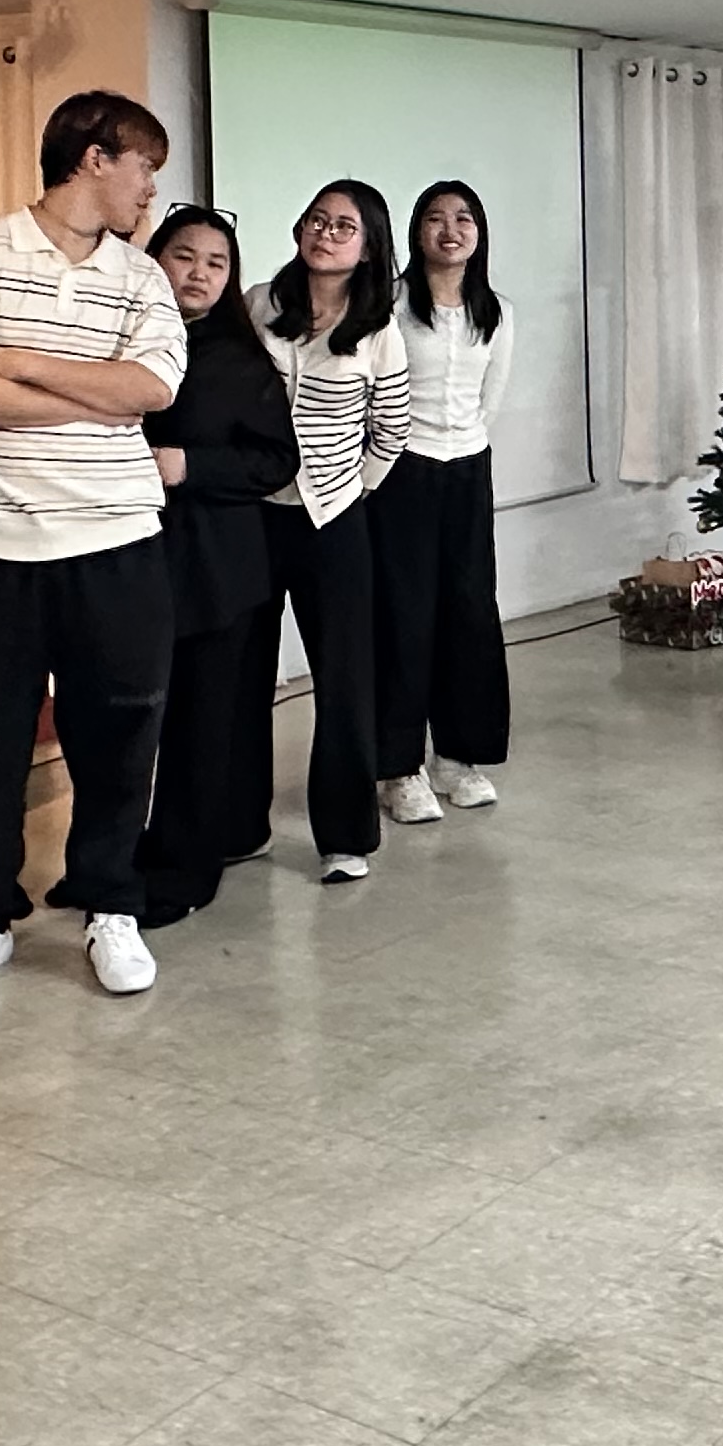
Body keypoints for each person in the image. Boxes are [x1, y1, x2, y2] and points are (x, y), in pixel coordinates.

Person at [0, 89, 189, 1003]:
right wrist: (96, 398)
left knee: (117, 738)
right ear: (95, 157)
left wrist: (23, 363)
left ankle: (111, 903)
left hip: (116, 541)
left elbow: (151, 389)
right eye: (144, 168)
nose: (150, 191)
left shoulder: (141, 278)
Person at [255, 179, 416, 873]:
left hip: (333, 520)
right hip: (255, 515)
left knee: (344, 680)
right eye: (317, 220)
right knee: (243, 678)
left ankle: (345, 838)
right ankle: (239, 824)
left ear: (369, 247)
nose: (325, 234)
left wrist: (349, 491)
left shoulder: (378, 331)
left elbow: (393, 432)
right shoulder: (260, 304)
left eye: (344, 227)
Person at [141, 206, 296, 927]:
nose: (198, 274)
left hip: (216, 570)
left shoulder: (239, 358)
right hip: (134, 562)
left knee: (203, 724)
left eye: (216, 263)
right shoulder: (129, 342)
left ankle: (187, 871)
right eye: (184, 256)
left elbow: (275, 461)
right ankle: (132, 852)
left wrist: (190, 466)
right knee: (142, 722)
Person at [375, 179, 513, 811]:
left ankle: (458, 757)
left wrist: (464, 446)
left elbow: (491, 398)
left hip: (467, 470)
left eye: (464, 219)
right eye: (435, 218)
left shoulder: (497, 311)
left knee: (470, 612)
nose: (450, 230)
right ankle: (398, 768)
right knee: (403, 616)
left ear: (479, 233)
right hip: (402, 468)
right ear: (417, 231)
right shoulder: (390, 302)